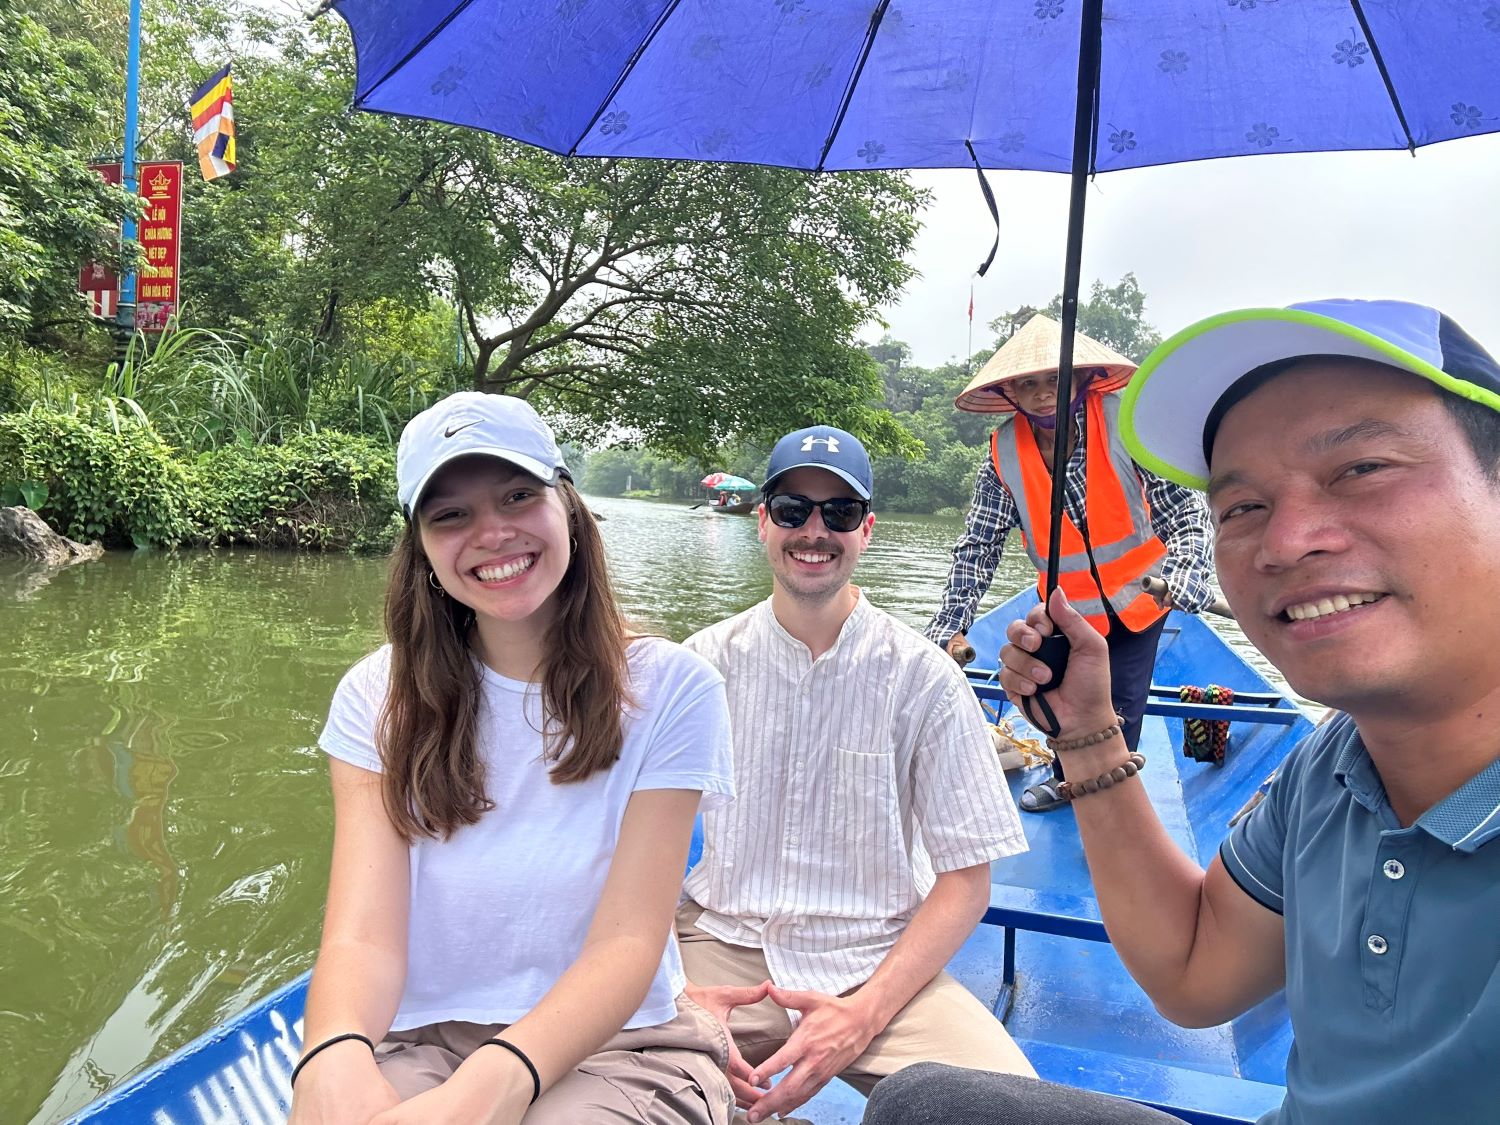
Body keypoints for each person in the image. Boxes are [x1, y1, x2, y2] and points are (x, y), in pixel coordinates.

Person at [872, 299, 1500, 1124]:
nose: (1287, 541)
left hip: (1141, 605)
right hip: (1071, 622)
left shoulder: (1123, 441)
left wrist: (1186, 585)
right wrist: (1040, 698)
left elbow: (1178, 529)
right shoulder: (1328, 767)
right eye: (1243, 506)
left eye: (1362, 468)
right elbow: (1195, 969)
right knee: (922, 1103)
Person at [289, 391, 737, 1125]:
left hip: (622, 1045)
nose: (493, 533)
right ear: (424, 551)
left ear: (567, 507)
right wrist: (332, 1055)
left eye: (518, 495)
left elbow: (628, 942)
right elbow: (361, 935)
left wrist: (486, 1092)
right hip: (424, 1036)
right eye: (451, 514)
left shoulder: (672, 688)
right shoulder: (377, 694)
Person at [677, 425, 1034, 1125]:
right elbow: (639, 853)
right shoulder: (700, 666)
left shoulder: (924, 678)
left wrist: (863, 1016)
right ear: (763, 522)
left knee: (1016, 1112)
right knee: (594, 1093)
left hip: (877, 961)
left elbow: (966, 879)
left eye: (838, 513)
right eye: (793, 510)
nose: (815, 530)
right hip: (719, 949)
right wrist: (671, 987)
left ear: (865, 530)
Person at [926, 314, 1216, 812]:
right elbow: (978, 546)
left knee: (1117, 706)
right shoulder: (1003, 455)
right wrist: (950, 625)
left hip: (1140, 599)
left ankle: (1110, 799)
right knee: (1052, 691)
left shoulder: (1127, 427)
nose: (1043, 394)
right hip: (1066, 604)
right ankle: (1067, 780)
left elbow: (1184, 511)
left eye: (1055, 380)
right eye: (1029, 383)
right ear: (1012, 392)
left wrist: (1189, 570)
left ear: (1082, 379)